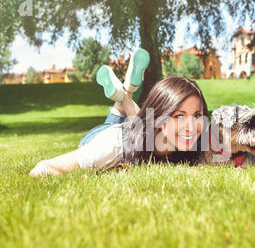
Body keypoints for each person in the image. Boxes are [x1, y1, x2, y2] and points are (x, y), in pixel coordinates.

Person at [29, 49, 209, 177]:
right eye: (179, 116)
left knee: (140, 127)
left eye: (197, 115)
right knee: (132, 130)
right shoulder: (111, 147)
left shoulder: (197, 139)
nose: (191, 126)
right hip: (103, 135)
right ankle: (124, 95)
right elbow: (43, 168)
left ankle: (125, 93)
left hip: (138, 130)